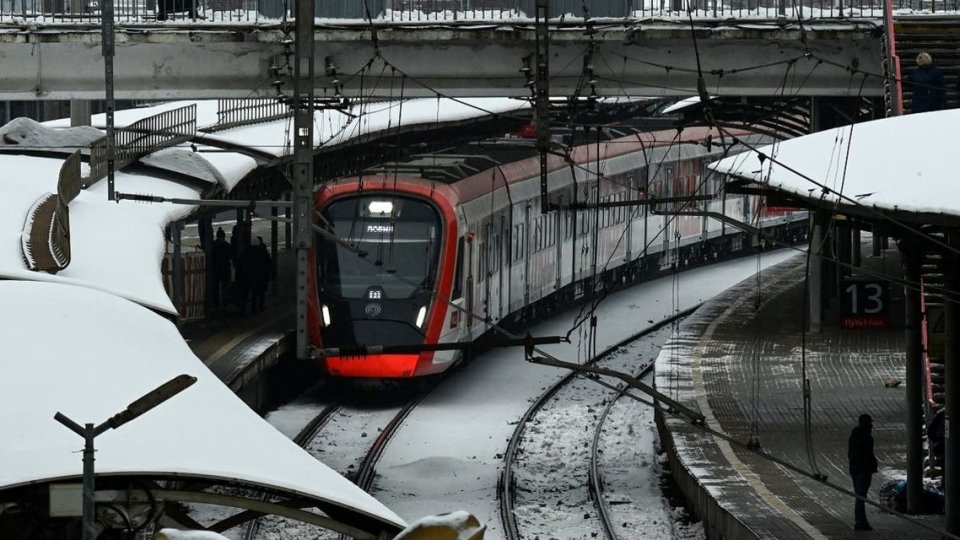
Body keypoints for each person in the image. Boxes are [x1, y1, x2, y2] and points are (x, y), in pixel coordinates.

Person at [848, 413, 879, 531]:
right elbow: (868, 455)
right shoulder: (867, 438)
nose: (871, 425)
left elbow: (851, 454)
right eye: (870, 423)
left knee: (859, 496)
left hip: (854, 470)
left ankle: (862, 521)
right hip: (863, 470)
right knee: (861, 497)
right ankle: (860, 522)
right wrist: (871, 467)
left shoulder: (853, 436)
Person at [211, 227, 232, 310]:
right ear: (224, 236)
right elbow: (231, 255)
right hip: (225, 268)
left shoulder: (213, 245)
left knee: (215, 287)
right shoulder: (227, 245)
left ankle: (215, 303)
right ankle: (225, 303)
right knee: (225, 287)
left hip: (215, 268)